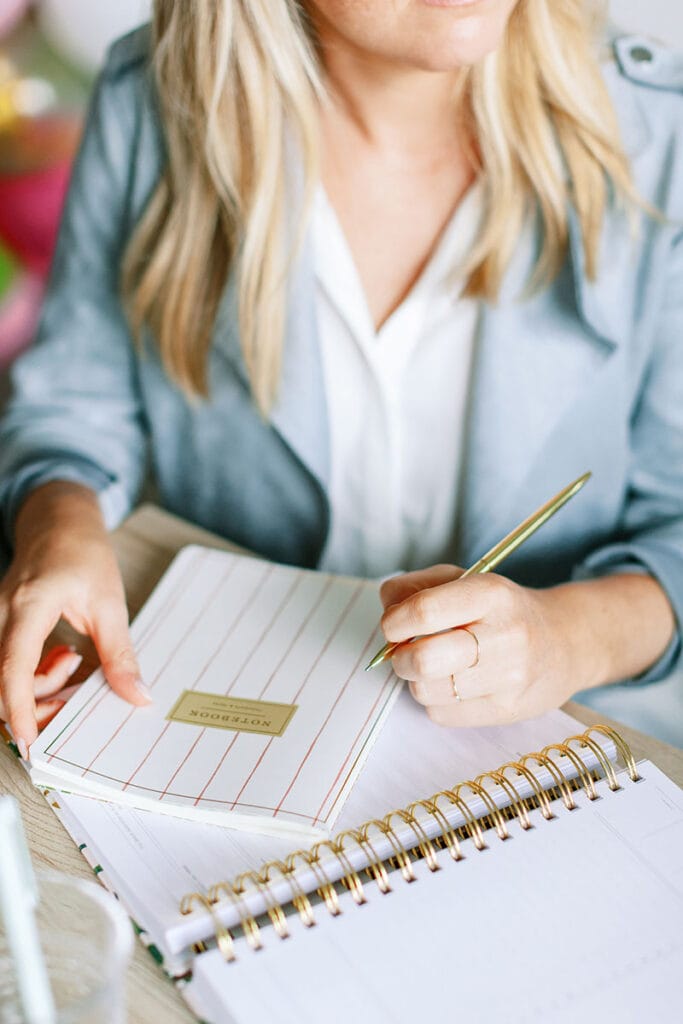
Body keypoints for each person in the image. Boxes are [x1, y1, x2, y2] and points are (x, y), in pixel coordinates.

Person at [0, 0, 681, 759]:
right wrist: (60, 527)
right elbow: (71, 409)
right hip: (241, 726)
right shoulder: (151, 102)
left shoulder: (661, 135)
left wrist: (566, 639)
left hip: (557, 762)